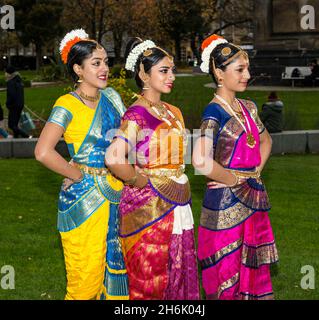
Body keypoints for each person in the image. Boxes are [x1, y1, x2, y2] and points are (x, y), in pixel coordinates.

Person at [34, 29, 129, 300]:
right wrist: (74, 173)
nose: (104, 69)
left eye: (106, 62)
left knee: (116, 276)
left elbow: (129, 139)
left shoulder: (111, 97)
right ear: (78, 69)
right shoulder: (67, 104)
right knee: (85, 281)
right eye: (95, 63)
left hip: (116, 194)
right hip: (84, 202)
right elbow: (43, 151)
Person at [105, 37, 200, 300]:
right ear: (144, 74)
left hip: (179, 202)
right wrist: (138, 180)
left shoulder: (173, 111)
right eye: (164, 71)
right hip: (148, 208)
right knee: (150, 282)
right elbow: (114, 157)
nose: (172, 76)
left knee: (178, 274)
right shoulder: (136, 114)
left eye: (172, 70)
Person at [193, 34, 279, 300]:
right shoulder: (213, 113)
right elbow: (199, 160)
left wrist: (254, 173)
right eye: (240, 69)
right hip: (224, 205)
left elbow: (266, 141)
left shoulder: (249, 108)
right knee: (226, 274)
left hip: (253, 200)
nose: (247, 75)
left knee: (252, 273)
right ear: (219, 73)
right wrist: (231, 179)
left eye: (247, 69)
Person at [5, 65, 30, 138]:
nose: (5, 74)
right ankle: (16, 138)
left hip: (13, 106)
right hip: (20, 104)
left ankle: (26, 136)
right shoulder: (19, 80)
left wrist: (8, 104)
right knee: (15, 124)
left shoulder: (11, 82)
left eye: (6, 72)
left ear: (9, 73)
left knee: (11, 125)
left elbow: (11, 94)